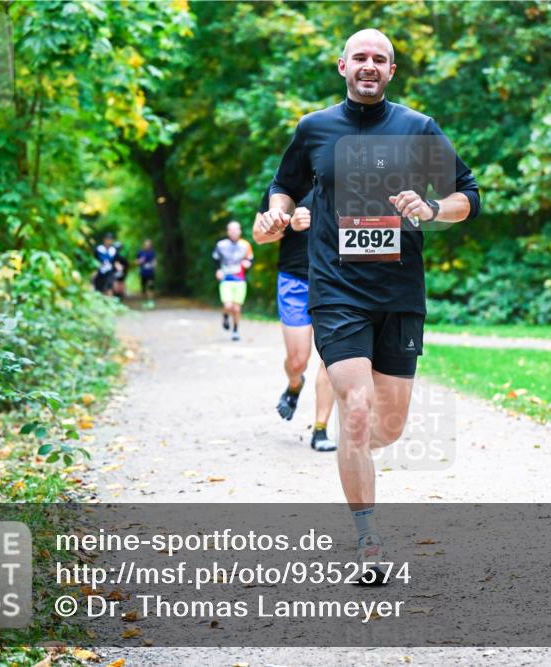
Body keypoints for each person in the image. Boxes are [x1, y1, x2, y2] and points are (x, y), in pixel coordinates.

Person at [259, 29, 480, 579]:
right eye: (360, 57)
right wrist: (277, 212)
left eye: (379, 59)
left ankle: (354, 456)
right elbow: (282, 186)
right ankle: (367, 540)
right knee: (354, 410)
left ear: (391, 70)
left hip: (400, 293)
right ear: (342, 66)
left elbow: (467, 196)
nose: (369, 65)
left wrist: (430, 209)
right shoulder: (314, 129)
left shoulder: (417, 129)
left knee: (389, 425)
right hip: (336, 291)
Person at [252, 189, 337, 452]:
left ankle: (320, 429)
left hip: (336, 280)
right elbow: (258, 235)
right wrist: (288, 224)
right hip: (295, 280)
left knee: (333, 358)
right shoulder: (286, 183)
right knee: (298, 360)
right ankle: (294, 383)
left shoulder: (348, 175)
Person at [212, 221, 254, 342]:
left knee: (236, 308)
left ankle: (235, 330)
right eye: (231, 229)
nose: (234, 232)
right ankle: (225, 315)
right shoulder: (221, 245)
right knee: (228, 305)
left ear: (240, 231)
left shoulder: (245, 245)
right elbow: (215, 259)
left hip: (240, 280)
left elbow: (250, 259)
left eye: (236, 229)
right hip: (226, 279)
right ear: (228, 231)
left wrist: (248, 264)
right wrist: (217, 270)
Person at [136, 239, 157, 308]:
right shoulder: (140, 252)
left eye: (149, 244)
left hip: (150, 272)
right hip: (143, 272)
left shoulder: (152, 252)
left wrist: (154, 266)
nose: (147, 246)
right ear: (144, 245)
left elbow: (154, 261)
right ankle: (144, 301)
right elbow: (136, 262)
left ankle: (151, 301)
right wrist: (140, 261)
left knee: (151, 286)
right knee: (143, 287)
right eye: (146, 244)